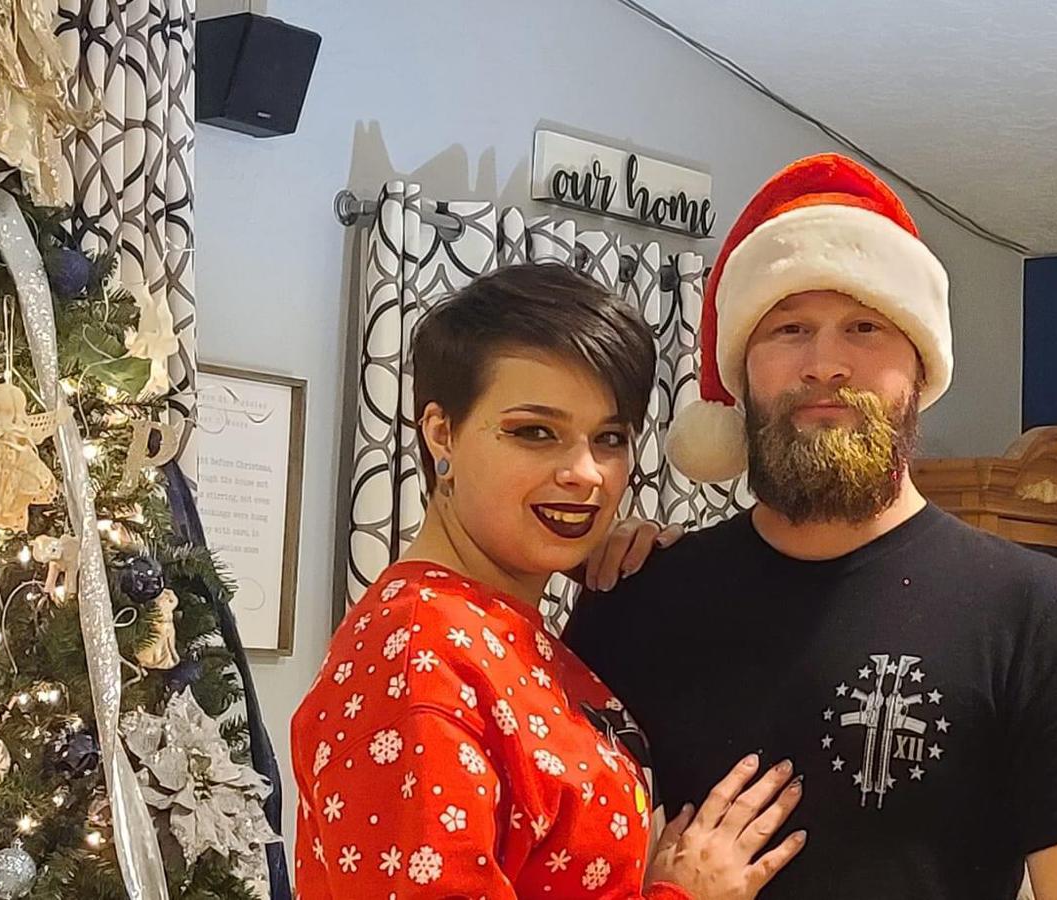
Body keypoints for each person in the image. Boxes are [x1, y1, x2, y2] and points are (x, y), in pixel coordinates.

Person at [563, 155, 1057, 900]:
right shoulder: (635, 602)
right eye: (789, 328)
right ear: (739, 377)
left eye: (864, 326)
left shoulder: (1038, 618)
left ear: (919, 370)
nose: (825, 363)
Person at [292, 263, 806, 898]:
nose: (586, 473)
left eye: (609, 438)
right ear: (442, 434)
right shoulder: (420, 654)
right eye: (535, 432)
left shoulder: (498, 628)